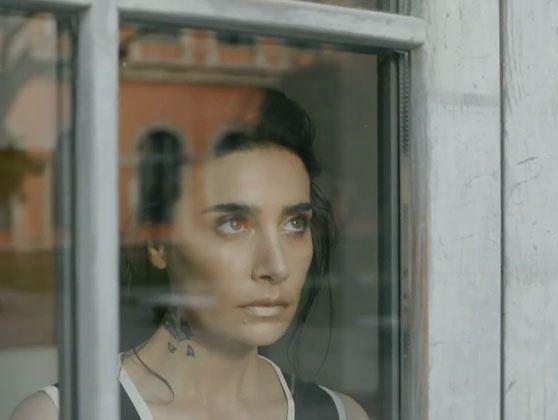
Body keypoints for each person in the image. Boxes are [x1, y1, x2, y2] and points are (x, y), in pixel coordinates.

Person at [11, 89, 369, 420]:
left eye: (294, 223)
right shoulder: (61, 415)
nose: (275, 267)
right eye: (233, 224)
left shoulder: (341, 415)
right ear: (157, 241)